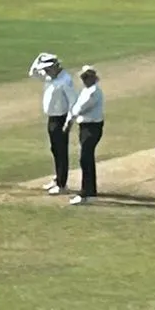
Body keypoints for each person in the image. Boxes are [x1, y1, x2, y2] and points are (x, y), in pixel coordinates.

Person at [30, 53, 77, 195]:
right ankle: (57, 179)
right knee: (55, 149)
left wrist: (69, 122)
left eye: (48, 68)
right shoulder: (50, 77)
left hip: (61, 119)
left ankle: (62, 185)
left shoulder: (65, 80)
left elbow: (73, 102)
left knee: (61, 151)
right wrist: (39, 57)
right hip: (52, 118)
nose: (46, 71)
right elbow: (32, 73)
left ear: (56, 66)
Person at [65, 66, 104, 206]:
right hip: (85, 127)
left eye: (86, 77)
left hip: (92, 127)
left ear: (92, 77)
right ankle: (89, 192)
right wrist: (70, 119)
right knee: (86, 159)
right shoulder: (86, 90)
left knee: (85, 158)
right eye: (83, 77)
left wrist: (69, 120)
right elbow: (76, 106)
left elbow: (80, 108)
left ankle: (87, 193)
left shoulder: (94, 92)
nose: (83, 80)